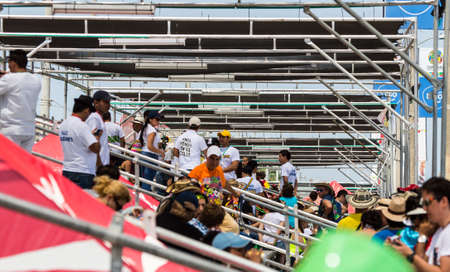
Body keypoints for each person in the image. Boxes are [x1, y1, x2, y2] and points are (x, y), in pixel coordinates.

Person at [389, 177, 450, 271]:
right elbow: (423, 265)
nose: (425, 208)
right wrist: (422, 237)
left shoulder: (448, 232)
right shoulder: (440, 231)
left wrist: (410, 255)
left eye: (427, 202)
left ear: (443, 202)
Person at [0, 49, 41, 152]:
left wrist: (5, 77)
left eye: (9, 63)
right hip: (29, 130)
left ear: (13, 63)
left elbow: (11, 82)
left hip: (11, 129)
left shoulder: (9, 79)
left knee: (8, 165)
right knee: (23, 165)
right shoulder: (36, 80)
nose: (8, 66)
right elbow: (20, 83)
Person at [60, 95, 100, 189]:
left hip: (67, 170)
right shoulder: (81, 126)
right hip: (83, 172)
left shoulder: (63, 124)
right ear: (86, 110)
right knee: (83, 202)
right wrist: (96, 137)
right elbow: (95, 148)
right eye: (89, 112)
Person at [140, 110, 165, 191]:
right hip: (150, 154)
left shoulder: (146, 128)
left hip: (144, 154)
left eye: (159, 119)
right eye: (157, 119)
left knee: (144, 179)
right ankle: (147, 196)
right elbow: (150, 146)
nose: (158, 121)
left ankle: (144, 196)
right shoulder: (152, 130)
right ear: (150, 119)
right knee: (148, 179)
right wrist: (161, 152)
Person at [86, 90, 111, 166]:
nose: (108, 105)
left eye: (109, 102)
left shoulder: (98, 118)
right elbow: (92, 142)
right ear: (96, 102)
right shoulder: (94, 118)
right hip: (97, 165)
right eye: (105, 102)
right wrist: (99, 164)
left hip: (100, 163)